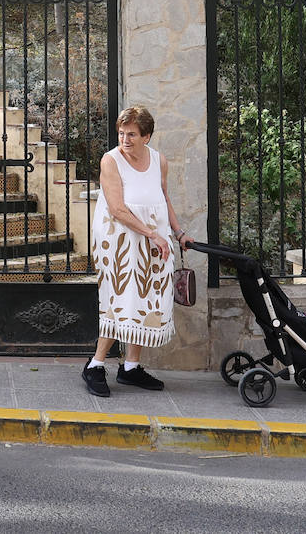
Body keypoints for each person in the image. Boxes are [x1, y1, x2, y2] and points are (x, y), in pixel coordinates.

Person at [82, 105, 193, 397]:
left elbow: (164, 198)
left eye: (131, 134)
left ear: (147, 136)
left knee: (145, 297)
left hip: (154, 241)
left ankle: (131, 368)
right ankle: (95, 365)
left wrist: (177, 232)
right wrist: (153, 234)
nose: (125, 139)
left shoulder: (159, 161)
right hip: (119, 241)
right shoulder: (111, 161)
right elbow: (117, 209)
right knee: (119, 299)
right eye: (121, 133)